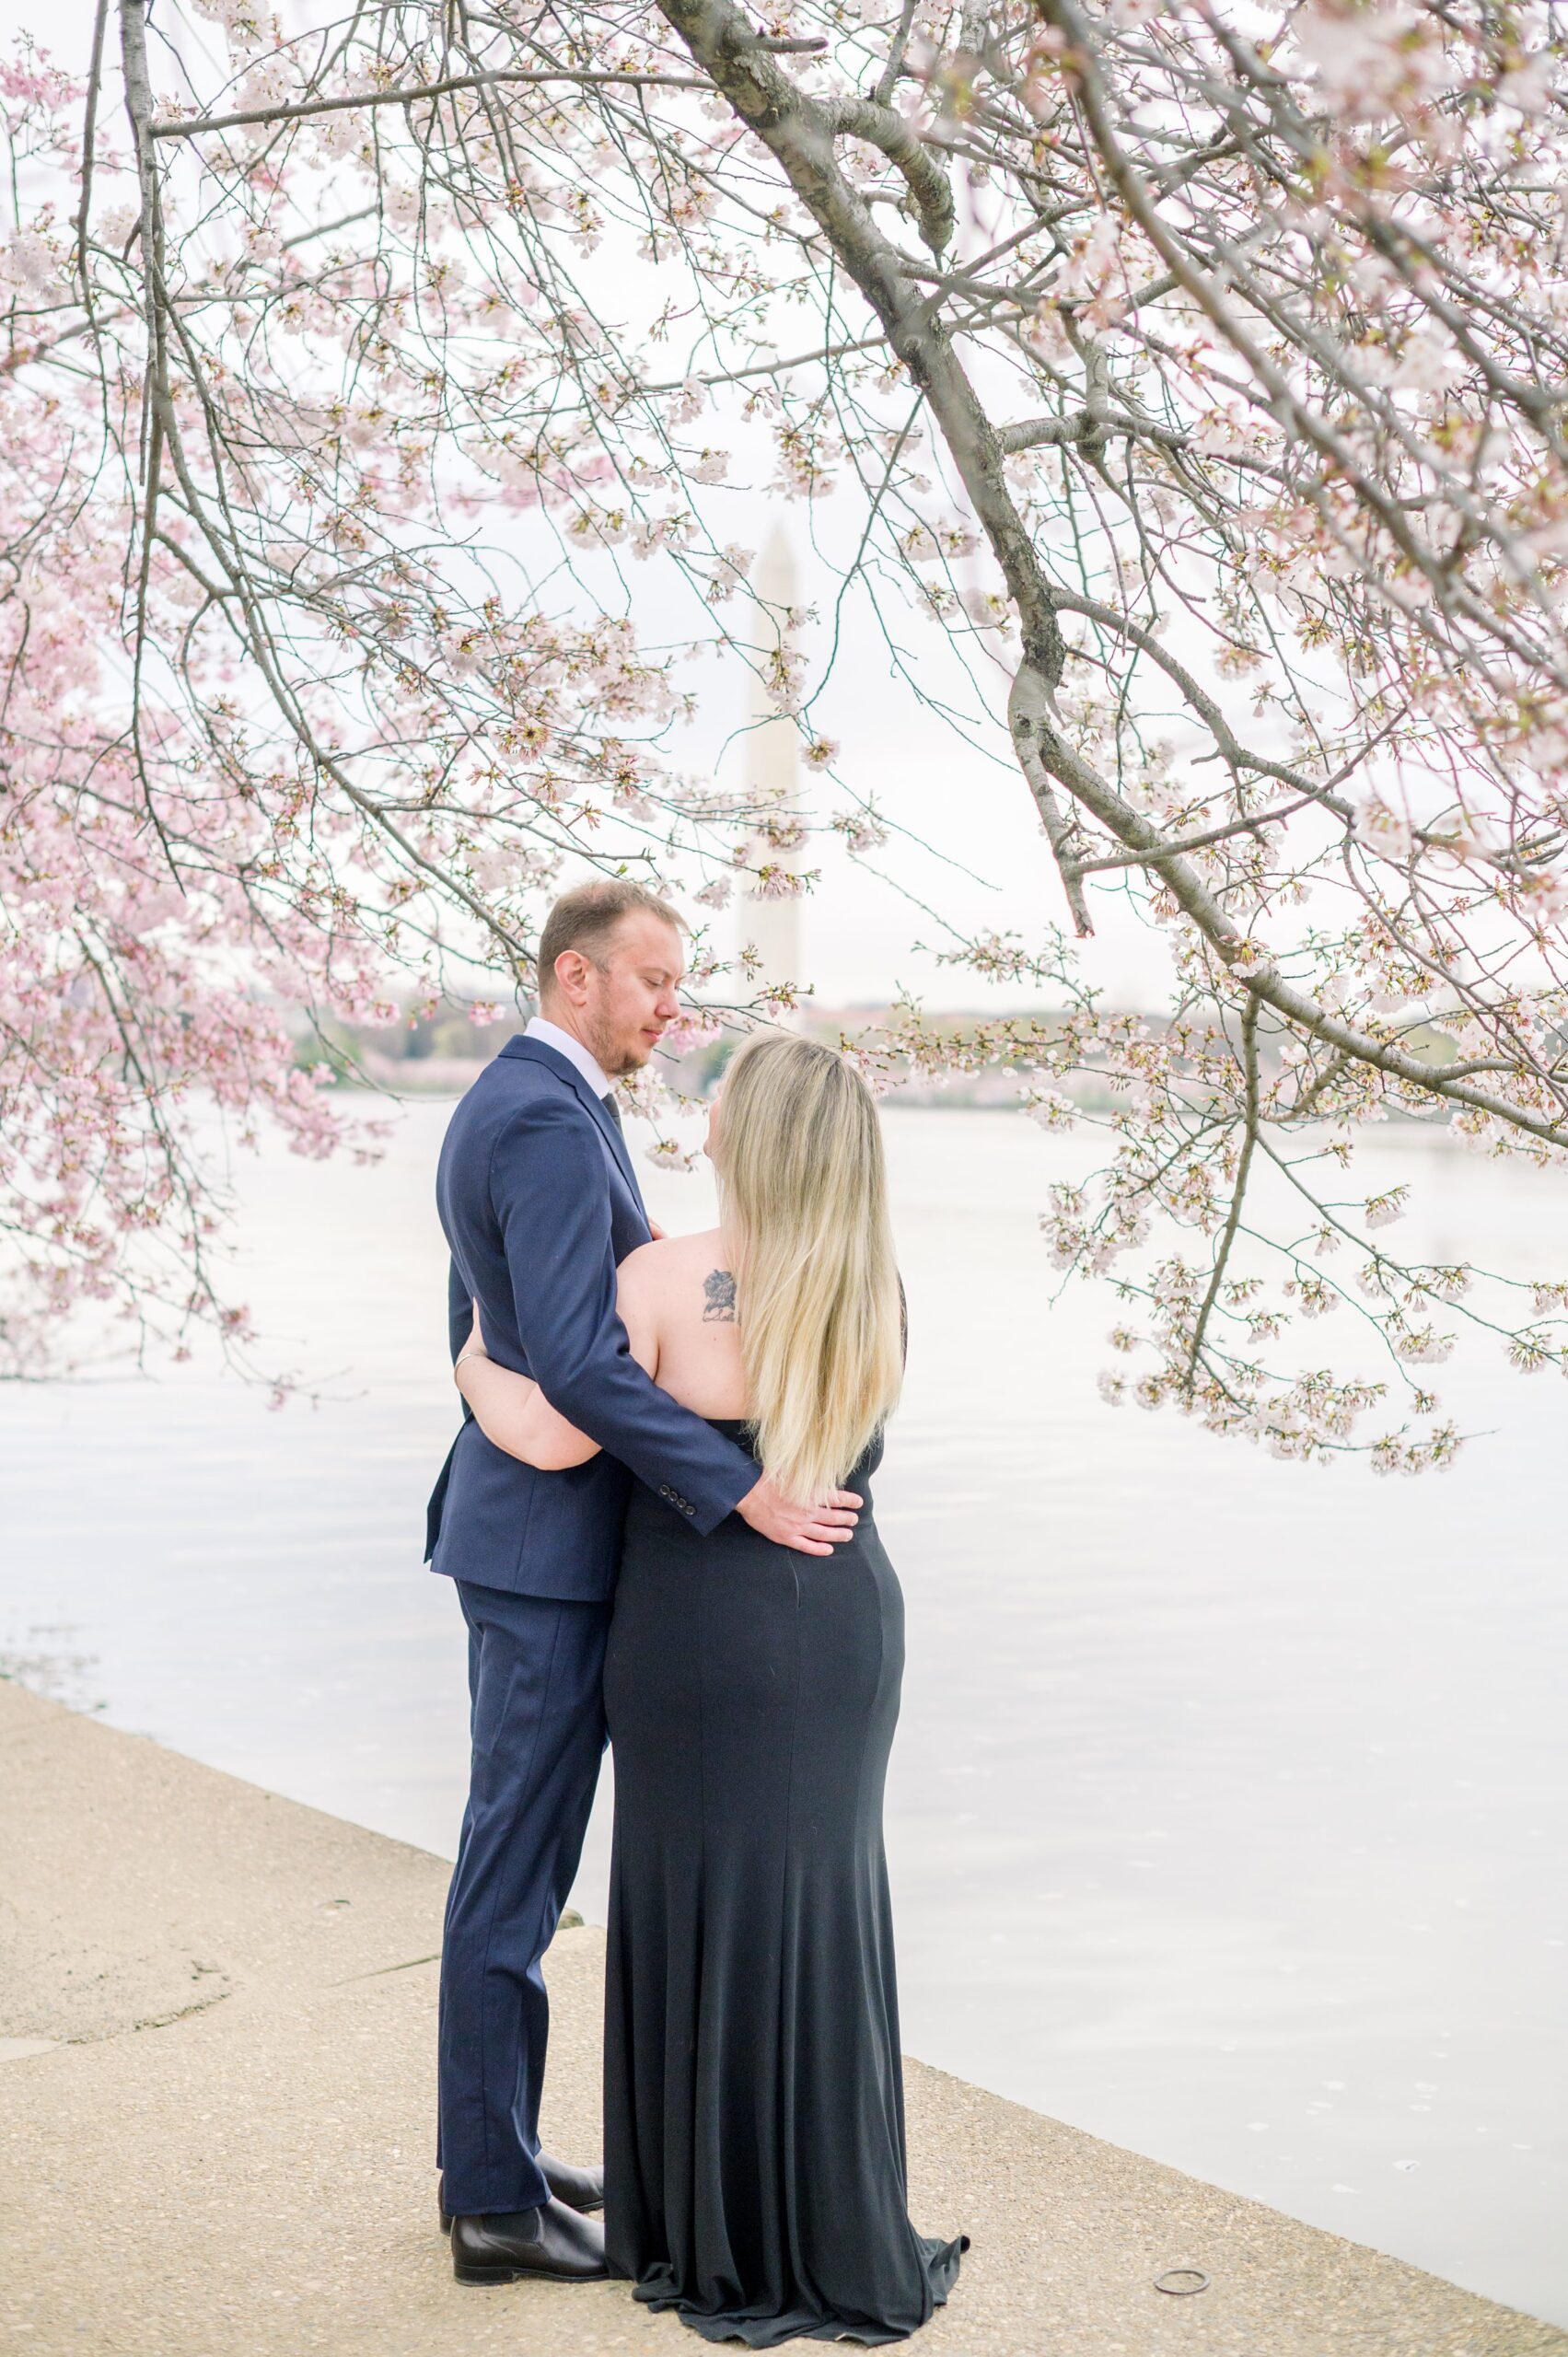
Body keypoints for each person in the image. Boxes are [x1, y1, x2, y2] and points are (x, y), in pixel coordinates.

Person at [456, 1030, 967, 2344]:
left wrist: (475, 1357)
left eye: (727, 1094)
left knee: (697, 1900)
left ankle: (703, 2219)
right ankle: (824, 2210)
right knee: (818, 1904)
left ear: (753, 1136)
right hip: (845, 1624)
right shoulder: (874, 1285)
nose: (708, 1103)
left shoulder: (665, 1277)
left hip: (693, 1626)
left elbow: (556, 1428)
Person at [426, 884, 863, 2289]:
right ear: (576, 979)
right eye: (657, 982)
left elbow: (490, 1306)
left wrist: (476, 1370)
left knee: (524, 1862)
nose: (675, 1007)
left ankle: (503, 2148)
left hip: (534, 1534)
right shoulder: (548, 1118)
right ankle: (490, 2201)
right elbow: (581, 1357)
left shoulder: (533, 1103)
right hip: (546, 1559)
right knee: (514, 1866)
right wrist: (744, 1487)